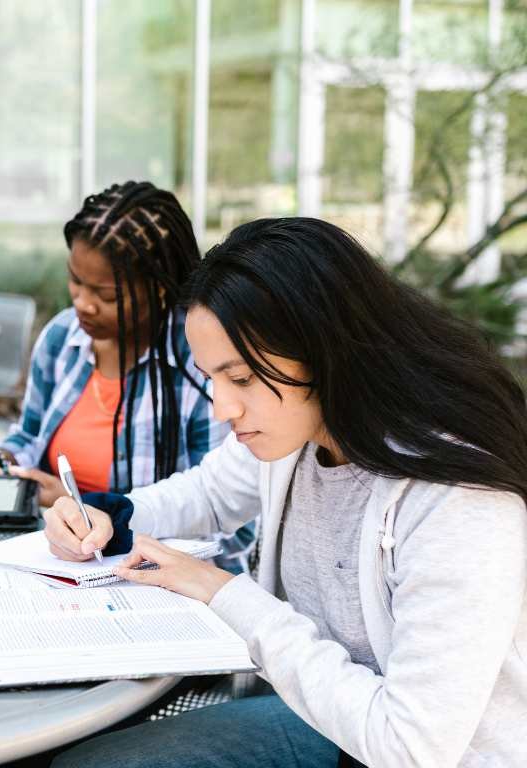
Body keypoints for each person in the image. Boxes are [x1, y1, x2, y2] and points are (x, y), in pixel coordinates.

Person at [46, 217, 527, 768]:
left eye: (243, 379)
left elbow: (410, 747)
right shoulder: (300, 430)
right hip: (331, 726)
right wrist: (107, 515)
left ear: (324, 349)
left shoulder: (457, 499)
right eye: (213, 379)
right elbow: (209, 493)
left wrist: (226, 594)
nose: (223, 409)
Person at [0, 180, 253, 572]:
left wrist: (89, 508)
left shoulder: (199, 361)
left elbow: (228, 515)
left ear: (158, 288)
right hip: (59, 565)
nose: (83, 304)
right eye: (75, 281)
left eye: (106, 295)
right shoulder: (61, 339)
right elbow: (30, 437)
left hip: (161, 583)